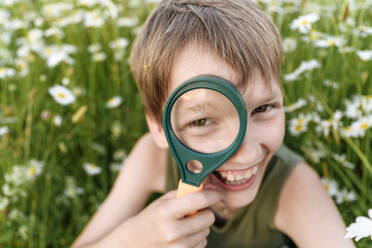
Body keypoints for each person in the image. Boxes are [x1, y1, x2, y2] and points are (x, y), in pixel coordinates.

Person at [72, 0, 355, 247]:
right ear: (159, 128)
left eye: (263, 108)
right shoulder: (152, 159)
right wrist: (130, 242)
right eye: (202, 120)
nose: (245, 152)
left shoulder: (292, 187)